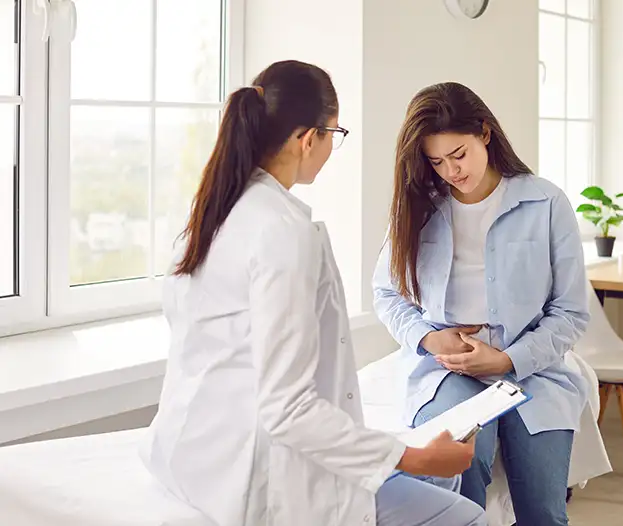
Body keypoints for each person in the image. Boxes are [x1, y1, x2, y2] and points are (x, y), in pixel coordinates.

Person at [139, 61, 487, 526]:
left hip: (190, 456)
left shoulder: (211, 215)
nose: (330, 148)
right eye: (334, 135)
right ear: (309, 139)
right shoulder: (280, 232)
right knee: (467, 518)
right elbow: (288, 410)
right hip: (256, 481)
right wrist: (414, 457)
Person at [372, 82, 591, 526]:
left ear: (485, 134)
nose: (451, 170)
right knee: (462, 478)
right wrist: (430, 339)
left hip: (536, 373)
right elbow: (387, 294)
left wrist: (507, 358)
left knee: (545, 510)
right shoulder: (419, 209)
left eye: (459, 154)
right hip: (446, 372)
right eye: (437, 161)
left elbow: (571, 312)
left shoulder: (545, 202)